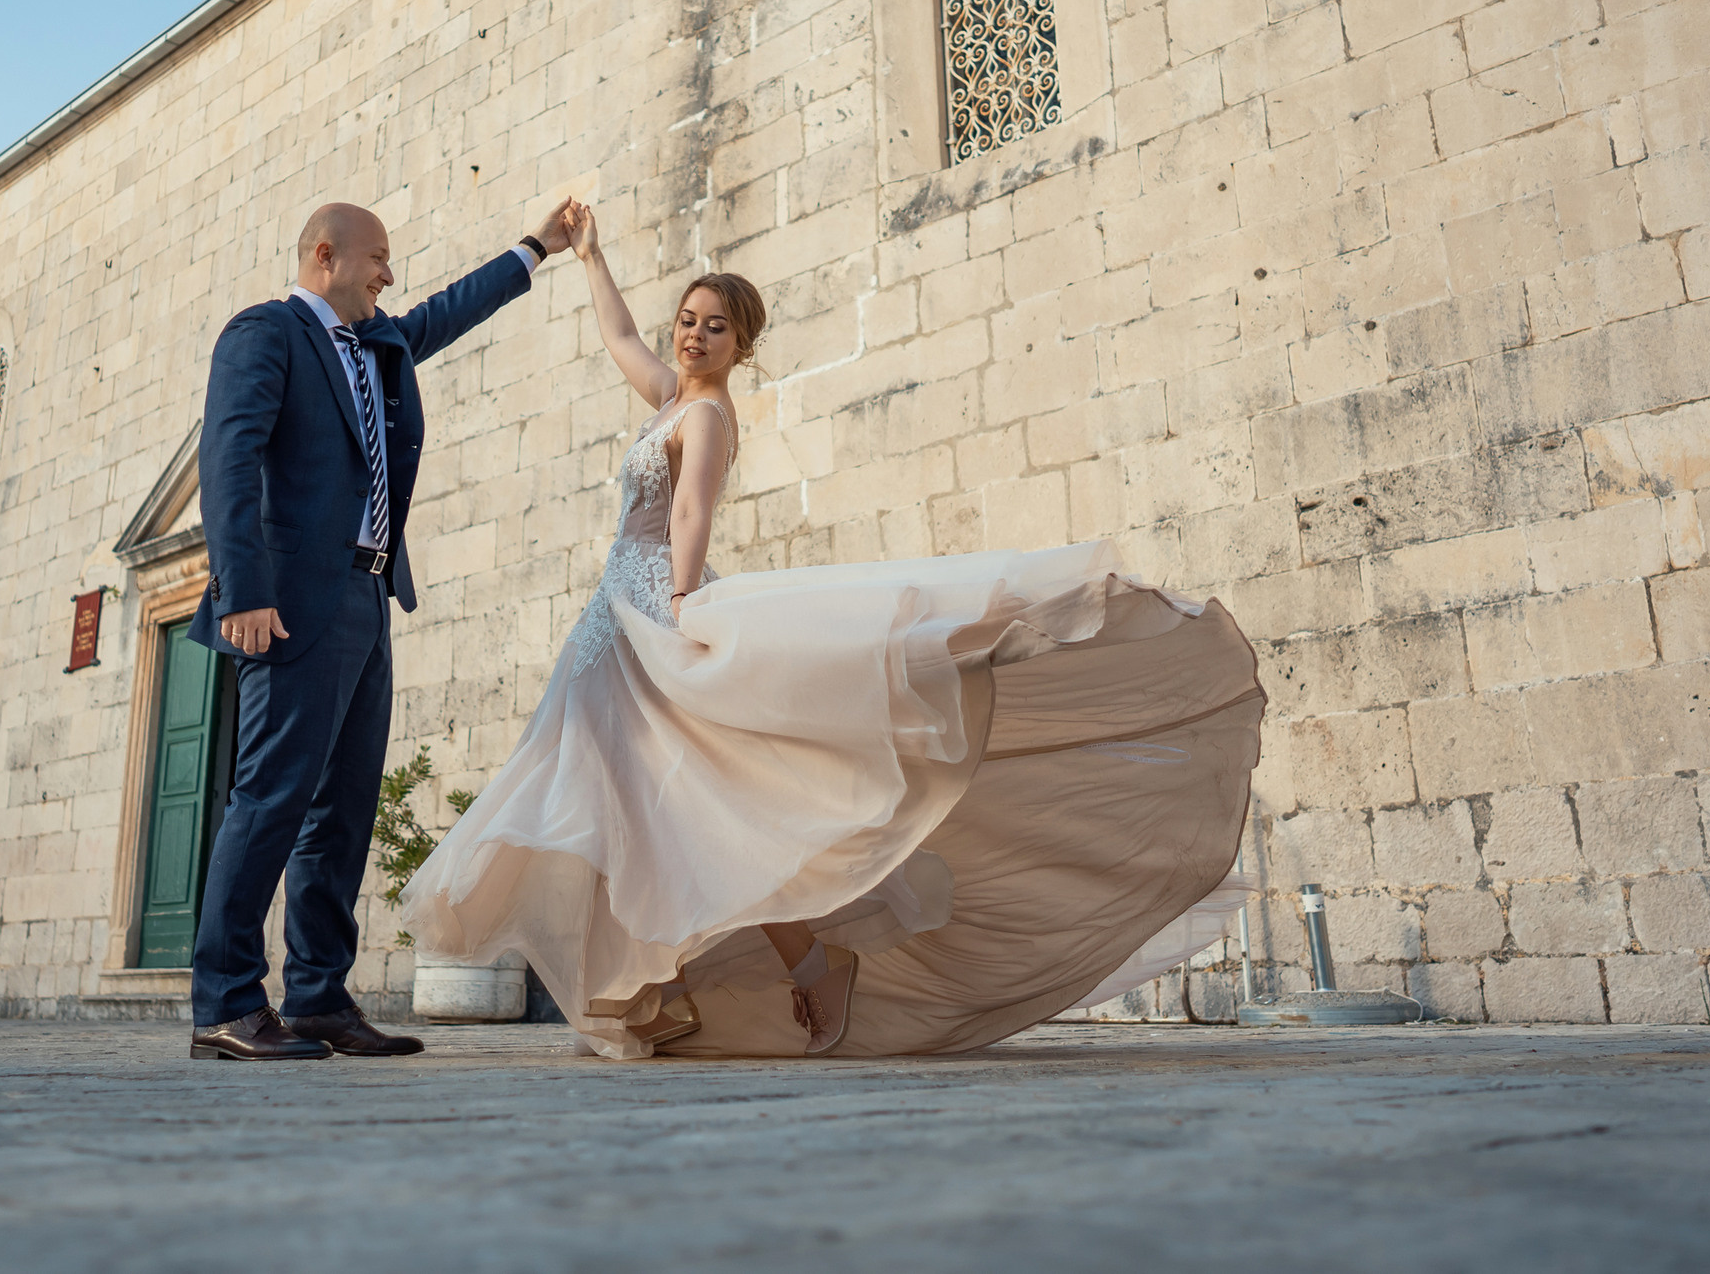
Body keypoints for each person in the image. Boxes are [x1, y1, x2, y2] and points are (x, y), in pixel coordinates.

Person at [399, 204, 1269, 1058]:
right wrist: (588, 258)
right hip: (608, 624)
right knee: (642, 805)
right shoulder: (667, 396)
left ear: (742, 346)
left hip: (649, 616)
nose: (693, 337)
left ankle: (744, 970)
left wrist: (682, 612)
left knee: (685, 809)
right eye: (688, 321)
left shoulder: (703, 417)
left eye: (714, 328)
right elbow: (621, 339)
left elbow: (692, 509)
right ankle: (664, 986)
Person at [185, 199, 573, 1061]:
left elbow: (448, 310)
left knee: (343, 810)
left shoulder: (379, 343)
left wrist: (536, 247)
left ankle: (318, 995)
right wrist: (243, 588)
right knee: (270, 796)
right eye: (379, 260)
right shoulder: (265, 333)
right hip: (288, 600)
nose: (389, 276)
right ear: (325, 254)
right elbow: (229, 455)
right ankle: (225, 1001)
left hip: (368, 597)